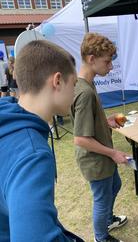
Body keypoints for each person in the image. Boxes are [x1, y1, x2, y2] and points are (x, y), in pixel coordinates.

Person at [0, 40, 83, 241]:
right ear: (57, 81)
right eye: (73, 84)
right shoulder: (32, 155)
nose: (74, 93)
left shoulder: (7, 123)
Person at [70, 33, 128, 242]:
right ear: (91, 59)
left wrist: (107, 121)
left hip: (100, 154)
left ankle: (107, 220)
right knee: (102, 199)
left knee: (115, 185)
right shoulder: (84, 92)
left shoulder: (87, 84)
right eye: (107, 61)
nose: (110, 67)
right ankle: (101, 237)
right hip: (94, 158)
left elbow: (88, 123)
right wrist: (113, 153)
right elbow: (80, 138)